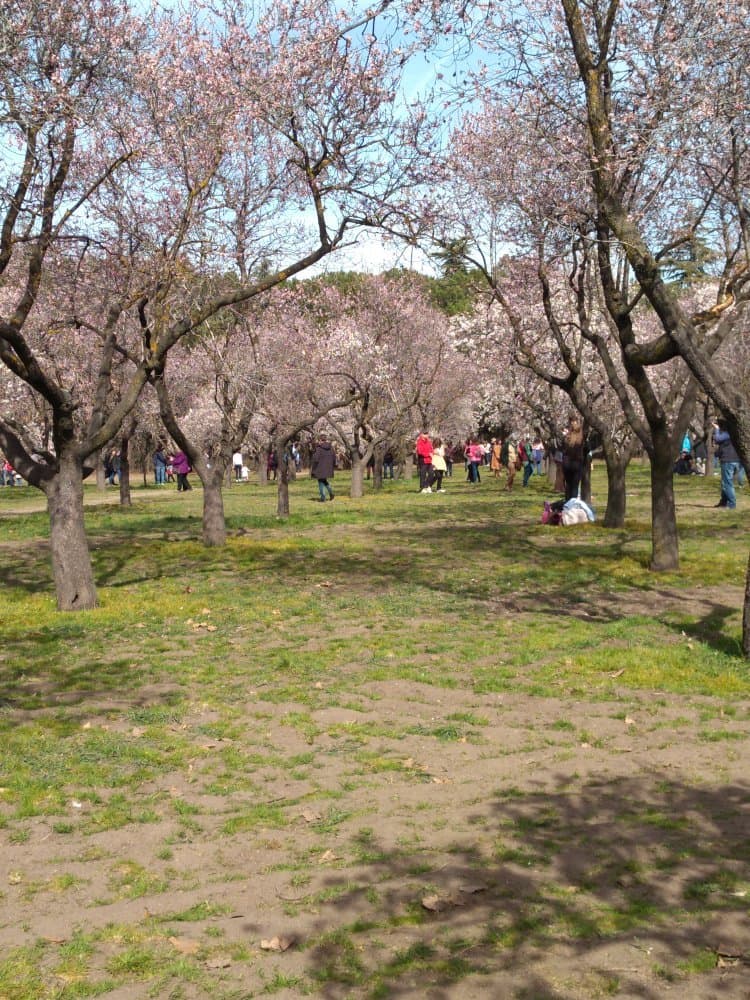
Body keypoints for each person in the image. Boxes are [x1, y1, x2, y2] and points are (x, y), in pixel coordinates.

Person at [713, 419, 740, 509]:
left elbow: (717, 439)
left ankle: (732, 504)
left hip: (728, 460)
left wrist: (716, 429)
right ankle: (723, 502)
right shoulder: (734, 433)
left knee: (727, 483)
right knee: (725, 482)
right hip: (732, 459)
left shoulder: (728, 433)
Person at [562, 416, 584, 501]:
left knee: (569, 485)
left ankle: (567, 503)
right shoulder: (581, 437)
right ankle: (572, 505)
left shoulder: (568, 436)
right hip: (576, 463)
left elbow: (564, 448)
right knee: (575, 486)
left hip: (567, 463)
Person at [311, 436, 335, 501]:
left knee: (320, 482)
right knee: (324, 481)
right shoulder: (331, 448)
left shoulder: (319, 448)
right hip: (328, 468)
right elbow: (334, 458)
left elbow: (316, 459)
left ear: (320, 440)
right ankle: (331, 493)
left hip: (320, 468)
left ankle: (323, 497)